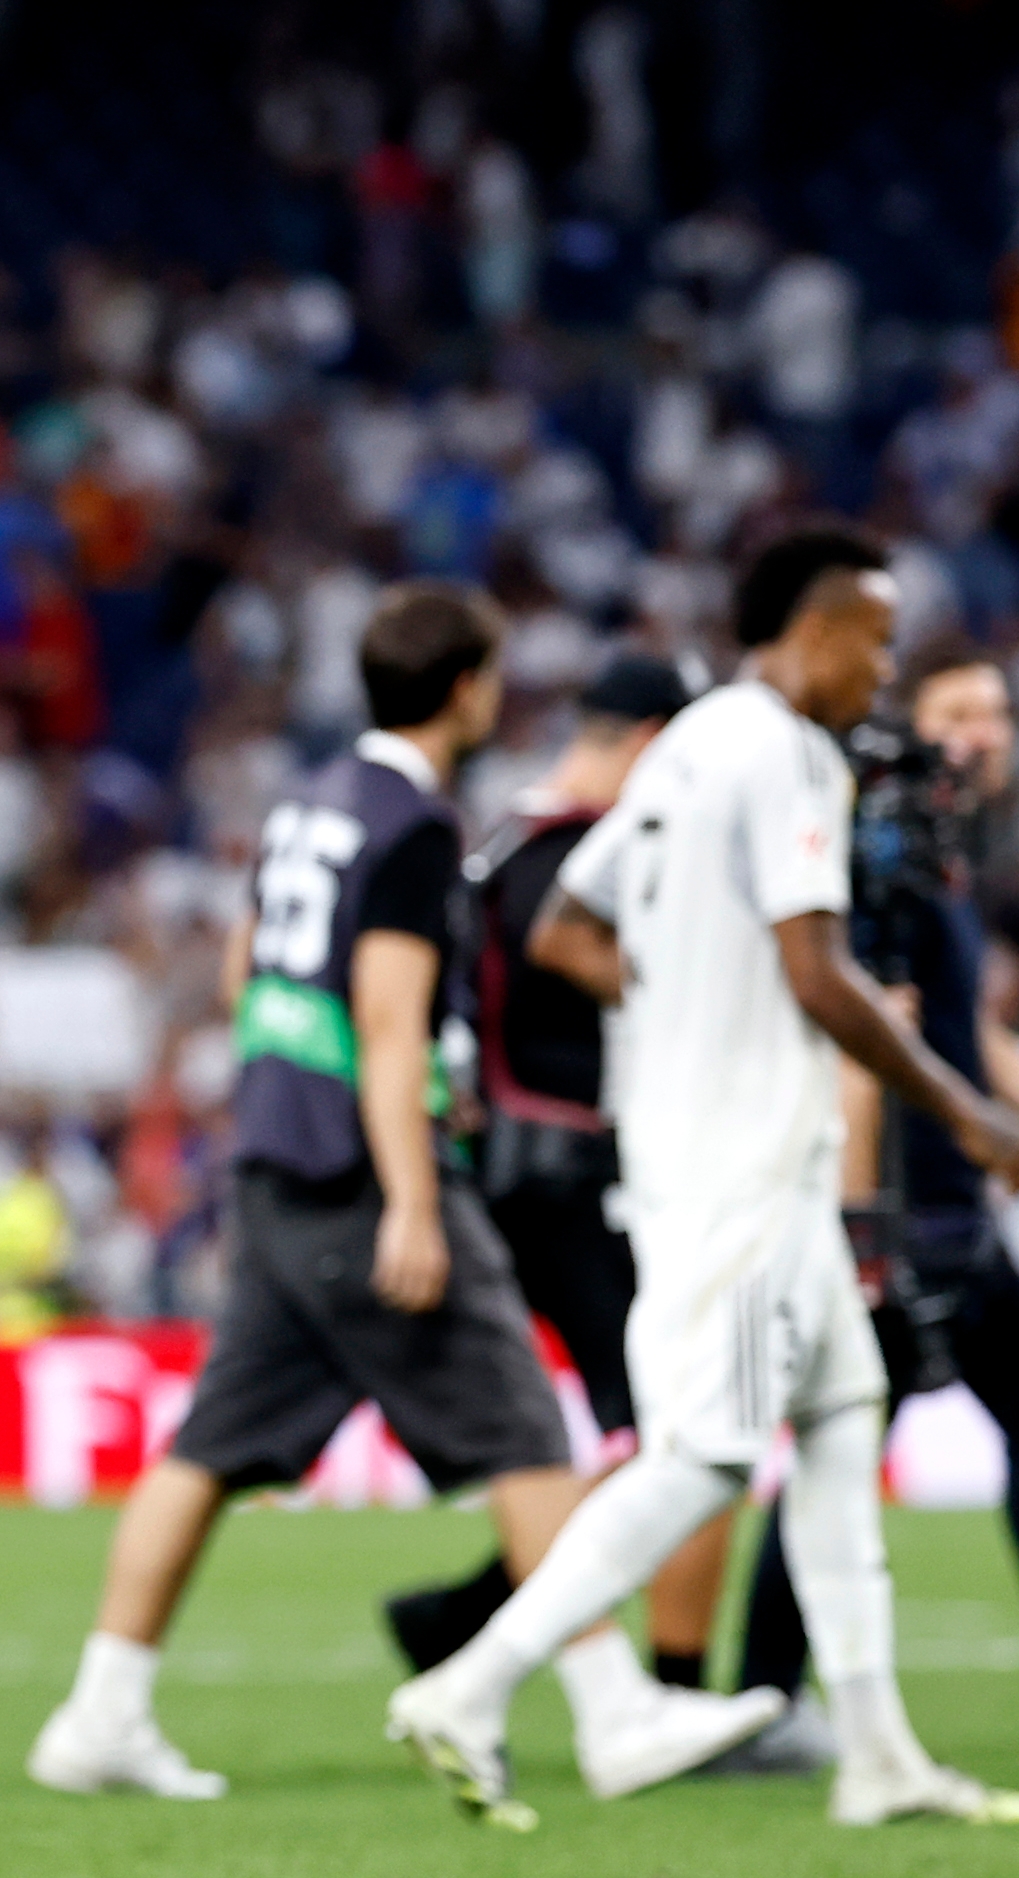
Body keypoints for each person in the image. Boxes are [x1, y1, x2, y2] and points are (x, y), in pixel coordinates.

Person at [29, 585, 776, 1806]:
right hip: (358, 1180)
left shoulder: (307, 806)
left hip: (280, 1160)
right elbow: (386, 1019)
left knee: (210, 1450)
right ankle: (612, 1710)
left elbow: (247, 974)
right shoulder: (411, 825)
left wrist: (301, 1095)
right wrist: (414, 1198)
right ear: (467, 688)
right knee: (529, 1439)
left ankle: (99, 1713)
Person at [388, 524, 1019, 1829]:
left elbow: (572, 921)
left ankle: (876, 1750)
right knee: (709, 1456)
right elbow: (813, 969)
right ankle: (470, 1683)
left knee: (843, 1421)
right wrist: (963, 1109)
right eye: (875, 637)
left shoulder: (683, 744)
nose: (880, 667)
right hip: (736, 1172)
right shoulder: (782, 752)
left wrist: (683, 1010)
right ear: (812, 624)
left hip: (726, 1158)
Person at [384, 654, 739, 1690]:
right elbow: (577, 954)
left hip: (509, 1170)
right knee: (686, 1431)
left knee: (642, 1434)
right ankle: (662, 1684)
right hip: (581, 1180)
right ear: (651, 742)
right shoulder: (581, 852)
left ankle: (474, 1607)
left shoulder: (500, 838)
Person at [720, 631, 1019, 1763]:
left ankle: (758, 1694)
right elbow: (863, 1042)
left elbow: (966, 1035)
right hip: (904, 1207)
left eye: (995, 711)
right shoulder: (875, 861)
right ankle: (755, 1695)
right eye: (956, 713)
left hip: (942, 1199)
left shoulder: (936, 862)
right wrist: (860, 1231)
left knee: (844, 1447)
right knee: (840, 1446)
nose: (982, 734)